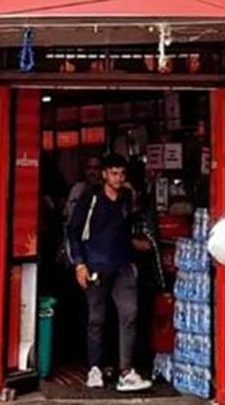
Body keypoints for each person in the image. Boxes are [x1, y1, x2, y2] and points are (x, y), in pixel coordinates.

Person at [67, 152, 153, 392]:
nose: (118, 178)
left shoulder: (126, 198)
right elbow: (74, 232)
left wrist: (135, 253)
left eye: (122, 174)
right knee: (97, 318)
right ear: (104, 174)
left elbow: (128, 227)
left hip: (123, 265)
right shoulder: (90, 198)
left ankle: (126, 371)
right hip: (95, 265)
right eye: (114, 173)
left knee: (130, 314)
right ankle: (95, 369)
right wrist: (80, 264)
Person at [64, 156, 102, 224]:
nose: (92, 172)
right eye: (89, 168)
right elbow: (69, 213)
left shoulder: (105, 190)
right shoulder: (76, 189)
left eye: (95, 168)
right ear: (84, 170)